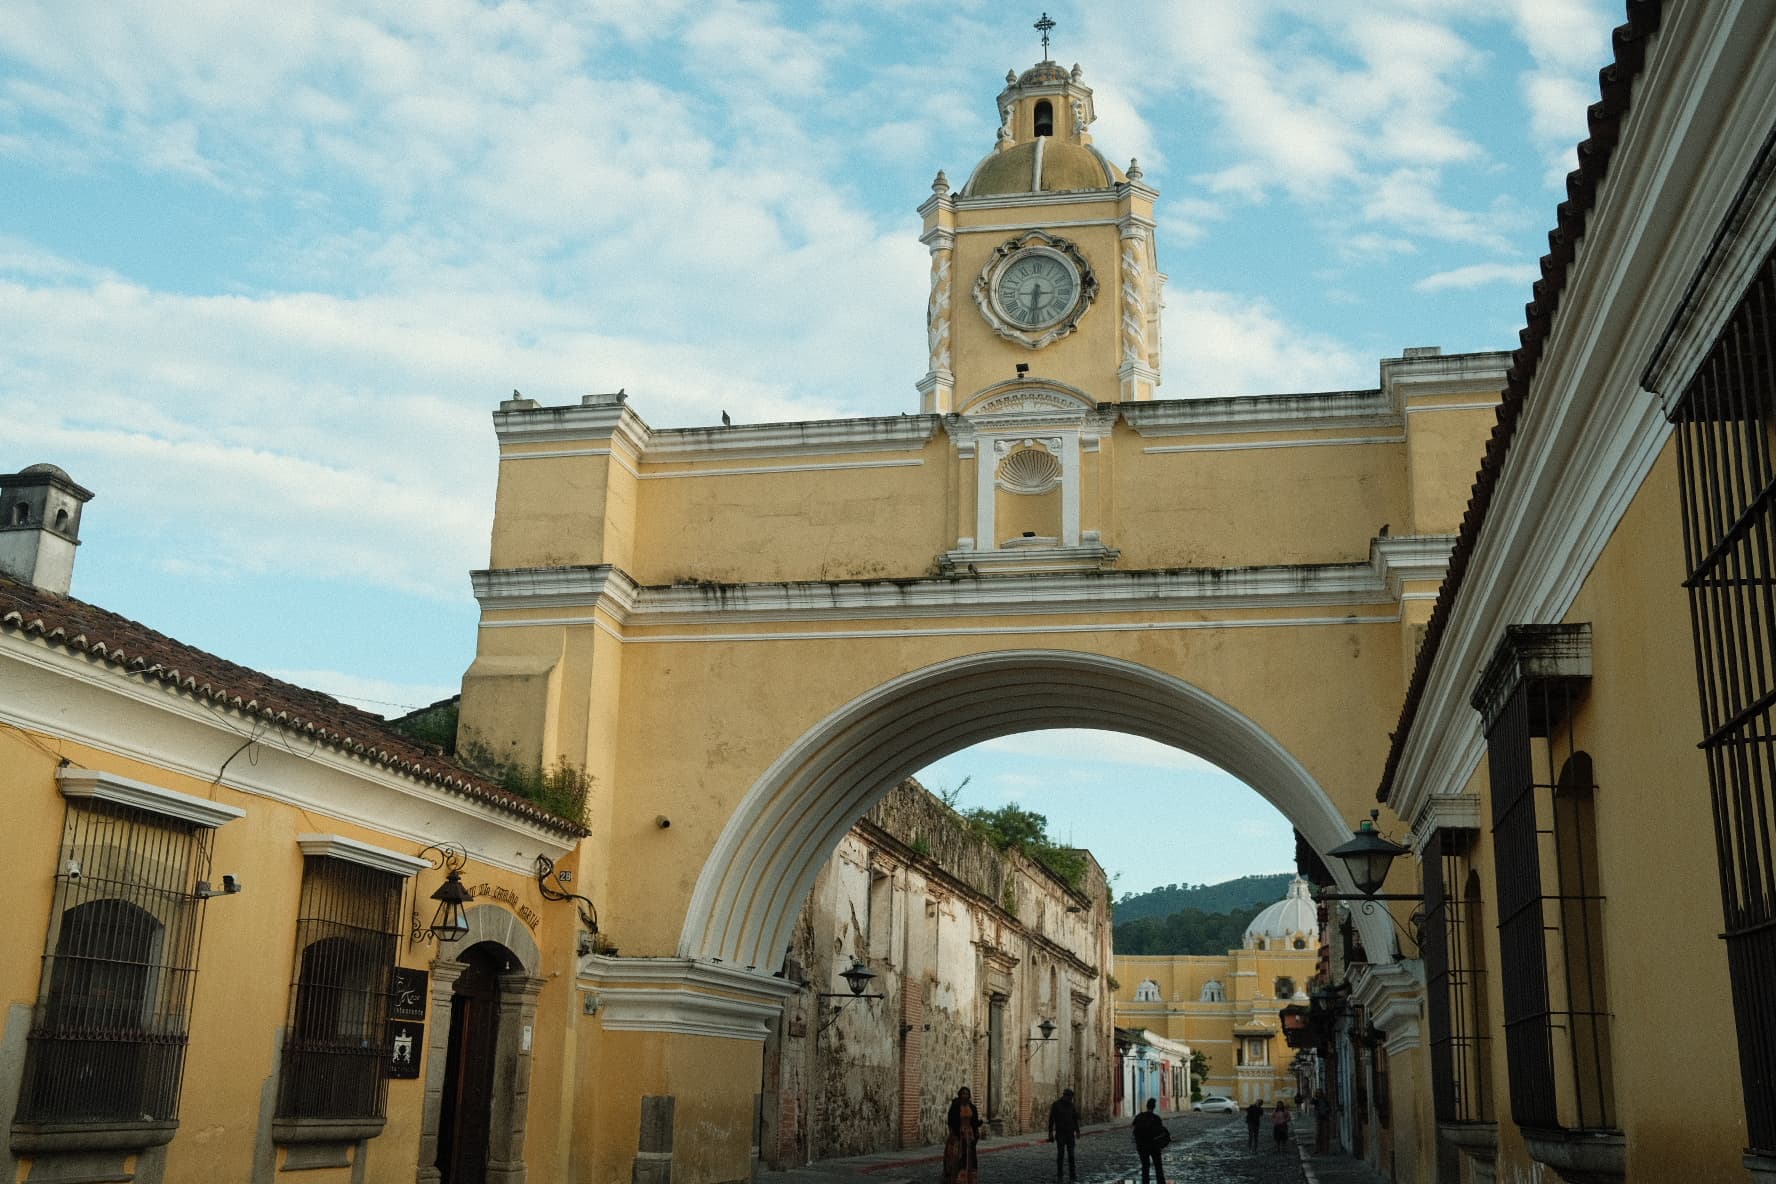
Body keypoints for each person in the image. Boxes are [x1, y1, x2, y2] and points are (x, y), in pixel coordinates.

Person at [944, 1086, 983, 1184]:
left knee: (970, 1158)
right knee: (957, 1157)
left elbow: (974, 1122)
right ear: (960, 1095)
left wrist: (976, 1133)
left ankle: (969, 1179)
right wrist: (953, 1134)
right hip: (958, 1135)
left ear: (969, 1095)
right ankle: (957, 1178)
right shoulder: (955, 1107)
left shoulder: (972, 1107)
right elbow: (950, 1122)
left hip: (969, 1135)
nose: (965, 1095)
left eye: (967, 1093)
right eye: (963, 1093)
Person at [1131, 1097, 1170, 1184]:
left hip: (1141, 1146)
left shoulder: (1139, 1117)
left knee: (1145, 1167)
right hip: (1154, 1146)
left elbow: (1134, 1129)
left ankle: (1145, 1182)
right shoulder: (1156, 1118)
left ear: (1147, 1106)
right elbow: (1161, 1133)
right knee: (1158, 1167)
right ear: (1154, 1107)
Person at [1046, 1087, 1079, 1181]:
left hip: (1070, 1134)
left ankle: (1072, 1175)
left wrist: (1077, 1131)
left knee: (1071, 1155)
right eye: (1070, 1098)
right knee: (1060, 1155)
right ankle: (1060, 1175)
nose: (1071, 1100)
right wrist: (1050, 1133)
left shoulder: (1071, 1105)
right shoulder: (1056, 1105)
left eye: (1071, 1098)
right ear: (1065, 1096)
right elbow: (1051, 1120)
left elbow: (1074, 1119)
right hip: (1060, 1134)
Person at [1313, 1088, 1332, 1155]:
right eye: (1317, 1093)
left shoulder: (1325, 1100)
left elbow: (1330, 1108)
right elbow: (1311, 1102)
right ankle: (1317, 1149)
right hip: (1318, 1118)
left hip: (1325, 1118)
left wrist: (1326, 1111)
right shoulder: (1316, 1100)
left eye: (1320, 1093)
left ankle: (1325, 1150)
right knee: (1318, 1134)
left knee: (1325, 1134)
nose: (1319, 1094)